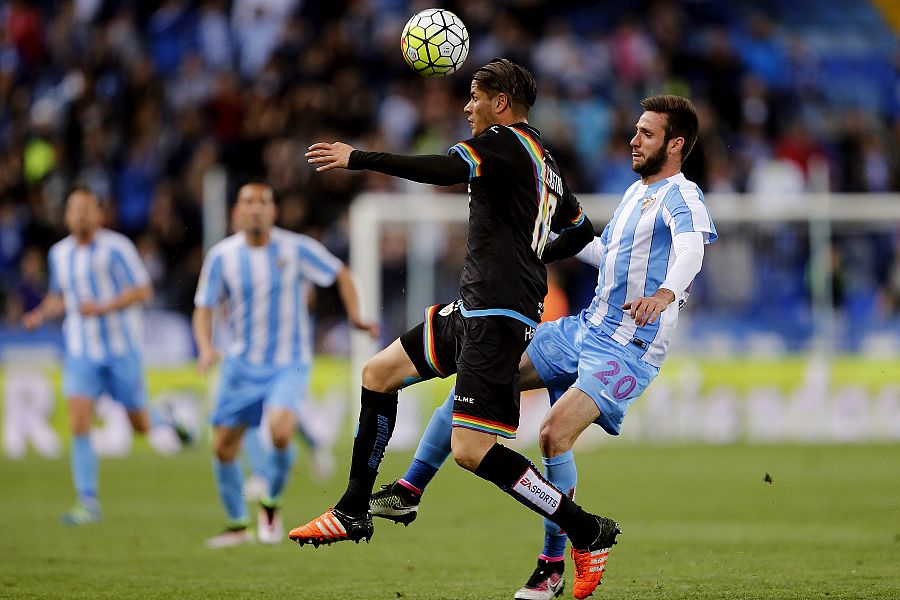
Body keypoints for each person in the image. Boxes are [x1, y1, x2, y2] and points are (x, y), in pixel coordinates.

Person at [289, 58, 617, 600]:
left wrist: (359, 158)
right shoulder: (546, 162)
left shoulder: (503, 142)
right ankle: (352, 509)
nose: (467, 107)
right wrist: (534, 256)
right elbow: (581, 230)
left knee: (471, 450)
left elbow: (445, 170)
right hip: (475, 307)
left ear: (501, 103)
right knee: (378, 372)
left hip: (498, 317)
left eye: (475, 97)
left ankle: (586, 530)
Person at [368, 94, 717, 599]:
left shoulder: (683, 195)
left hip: (629, 349)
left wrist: (665, 294)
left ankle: (553, 564)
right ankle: (409, 489)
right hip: (585, 329)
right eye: (636, 130)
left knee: (553, 434)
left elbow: (691, 250)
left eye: (646, 133)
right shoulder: (634, 194)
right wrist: (535, 246)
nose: (634, 140)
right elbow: (603, 252)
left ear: (676, 144)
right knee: (479, 380)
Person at [192, 182, 377, 549]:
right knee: (223, 447)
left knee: (280, 430)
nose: (256, 209)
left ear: (273, 212)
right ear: (236, 213)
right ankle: (236, 525)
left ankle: (270, 505)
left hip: (288, 362)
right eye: (248, 202)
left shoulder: (296, 248)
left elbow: (339, 273)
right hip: (240, 365)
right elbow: (204, 306)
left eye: (263, 202)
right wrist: (205, 347)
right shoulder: (222, 256)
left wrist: (356, 315)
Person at [22, 186, 172, 525]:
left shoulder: (117, 248)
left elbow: (143, 290)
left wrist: (104, 307)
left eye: (86, 208)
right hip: (80, 351)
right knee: (79, 422)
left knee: (141, 426)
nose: (80, 215)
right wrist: (39, 314)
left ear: (99, 214)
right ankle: (87, 502)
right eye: (74, 209)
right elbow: (60, 296)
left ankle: (168, 419)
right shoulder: (59, 253)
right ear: (66, 216)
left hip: (121, 349)